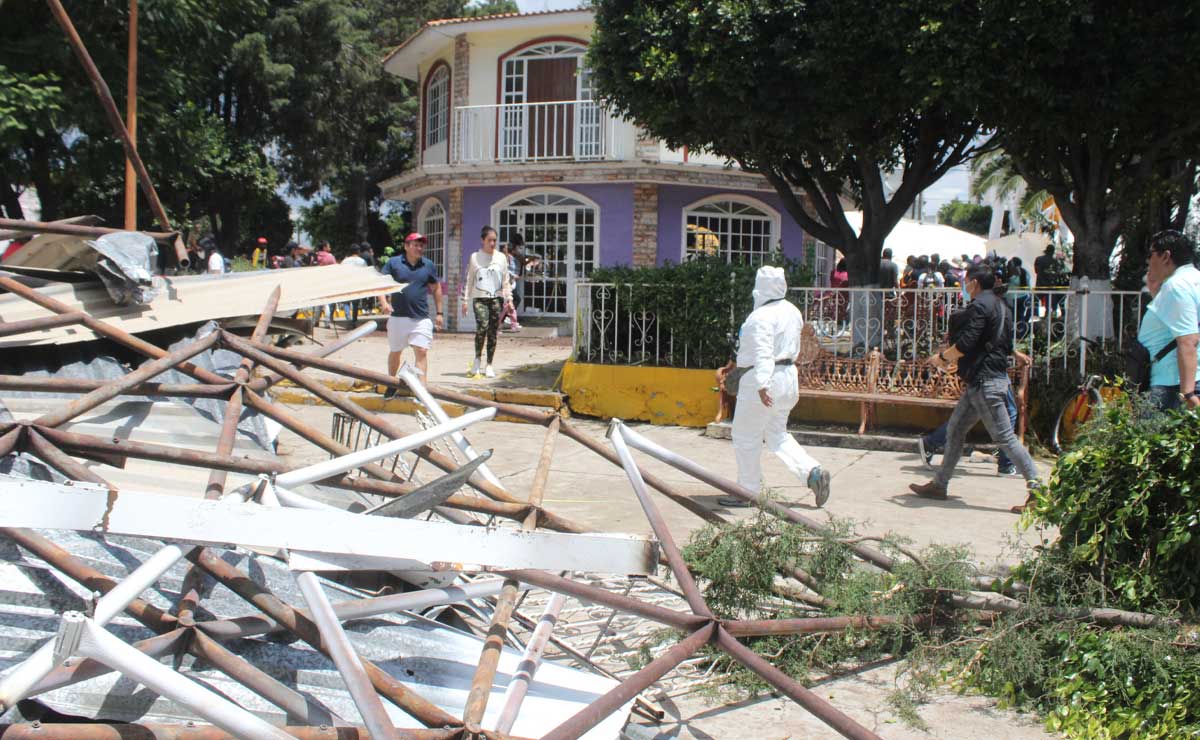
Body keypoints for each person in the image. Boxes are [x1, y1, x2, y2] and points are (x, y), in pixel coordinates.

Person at [908, 265, 1040, 506]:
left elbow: (968, 341)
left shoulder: (979, 306)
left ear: (975, 283)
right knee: (955, 430)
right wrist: (1015, 353)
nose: (964, 286)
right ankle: (940, 484)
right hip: (984, 382)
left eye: (966, 281)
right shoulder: (1002, 306)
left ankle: (1039, 491)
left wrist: (942, 358)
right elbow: (995, 339)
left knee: (1006, 440)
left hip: (985, 383)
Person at [723, 265, 831, 508]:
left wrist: (761, 384)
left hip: (763, 380)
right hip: (788, 378)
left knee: (745, 436)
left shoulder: (760, 317)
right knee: (777, 434)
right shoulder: (792, 311)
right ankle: (812, 472)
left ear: (759, 288)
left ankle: (748, 491)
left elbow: (763, 352)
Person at [1136, 230, 1200, 412]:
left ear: (1166, 256)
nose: (1149, 261)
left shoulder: (1177, 286)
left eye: (1151, 254)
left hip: (1171, 385)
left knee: (1151, 438)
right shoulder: (1194, 280)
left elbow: (1187, 340)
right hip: (1180, 380)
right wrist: (1156, 292)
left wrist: (1187, 394)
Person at [380, 233, 443, 388]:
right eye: (416, 245)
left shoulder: (428, 265)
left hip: (421, 318)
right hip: (398, 317)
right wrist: (384, 303)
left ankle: (422, 391)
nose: (419, 248)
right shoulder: (393, 263)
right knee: (396, 351)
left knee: (421, 351)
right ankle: (391, 384)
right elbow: (380, 284)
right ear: (406, 246)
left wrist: (439, 313)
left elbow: (436, 288)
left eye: (421, 245)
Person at [460, 225, 512, 378]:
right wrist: (465, 300)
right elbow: (469, 280)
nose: (492, 243)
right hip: (479, 298)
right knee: (482, 326)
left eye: (494, 240)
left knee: (493, 332)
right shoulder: (475, 257)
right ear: (482, 240)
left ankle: (489, 364)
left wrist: (509, 299)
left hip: (496, 298)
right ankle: (477, 359)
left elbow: (506, 280)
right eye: (489, 240)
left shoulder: (501, 257)